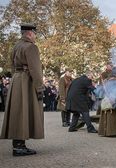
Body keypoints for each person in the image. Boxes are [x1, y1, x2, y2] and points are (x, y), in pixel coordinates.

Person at [0, 23, 44, 156]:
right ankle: (19, 147)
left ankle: (18, 145)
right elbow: (36, 70)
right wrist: (39, 88)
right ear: (30, 33)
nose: (35, 36)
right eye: (35, 34)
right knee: (25, 112)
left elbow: (12, 66)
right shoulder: (31, 47)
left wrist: (15, 79)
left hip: (16, 80)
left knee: (17, 113)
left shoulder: (16, 46)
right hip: (26, 81)